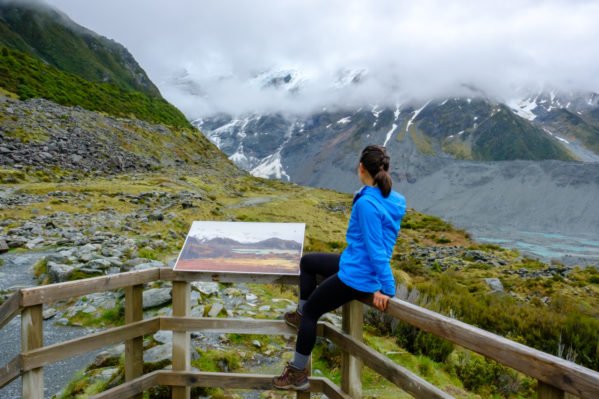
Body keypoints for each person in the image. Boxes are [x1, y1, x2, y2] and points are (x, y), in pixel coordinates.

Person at [272, 145, 406, 391]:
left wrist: (387, 289)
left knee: (313, 312)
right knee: (308, 262)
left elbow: (377, 252)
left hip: (357, 277)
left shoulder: (367, 204)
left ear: (361, 168)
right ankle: (300, 315)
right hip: (355, 263)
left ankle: (297, 373)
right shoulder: (392, 199)